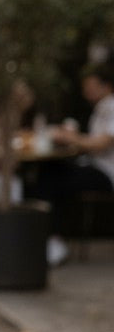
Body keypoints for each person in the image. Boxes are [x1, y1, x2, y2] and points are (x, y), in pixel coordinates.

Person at [29, 61, 114, 265]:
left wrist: (70, 138)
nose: (87, 91)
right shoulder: (101, 108)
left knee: (51, 177)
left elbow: (102, 143)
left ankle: (53, 240)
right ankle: (48, 238)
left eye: (91, 86)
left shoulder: (111, 106)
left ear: (106, 86)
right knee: (49, 171)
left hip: (106, 173)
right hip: (94, 167)